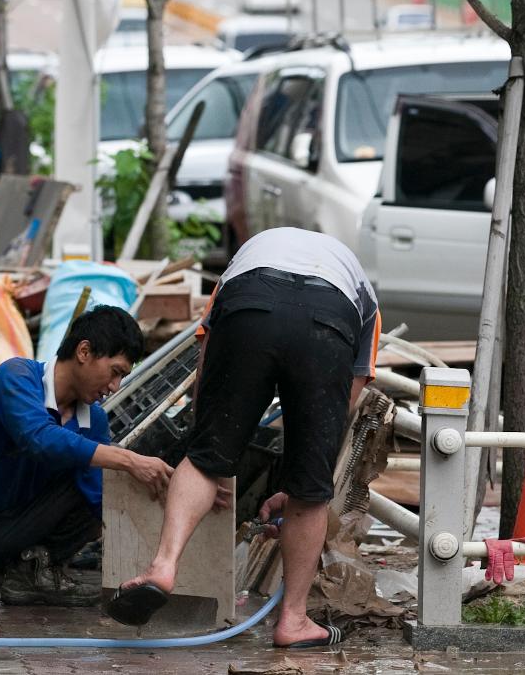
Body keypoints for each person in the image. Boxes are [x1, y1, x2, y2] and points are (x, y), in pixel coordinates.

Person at [108, 227, 381, 649]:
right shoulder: (362, 291)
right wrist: (299, 480)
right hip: (330, 315)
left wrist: (212, 442)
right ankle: (293, 620)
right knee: (312, 491)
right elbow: (347, 396)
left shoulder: (243, 262)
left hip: (250, 301)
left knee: (203, 460)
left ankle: (163, 567)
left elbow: (208, 361)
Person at [0, 306, 176, 620]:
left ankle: (30, 572)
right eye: (115, 371)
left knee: (96, 488)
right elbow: (39, 439)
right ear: (84, 351)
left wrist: (183, 495)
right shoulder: (17, 377)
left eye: (122, 376)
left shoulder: (94, 420)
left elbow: (99, 500)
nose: (115, 386)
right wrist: (126, 458)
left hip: (10, 537)